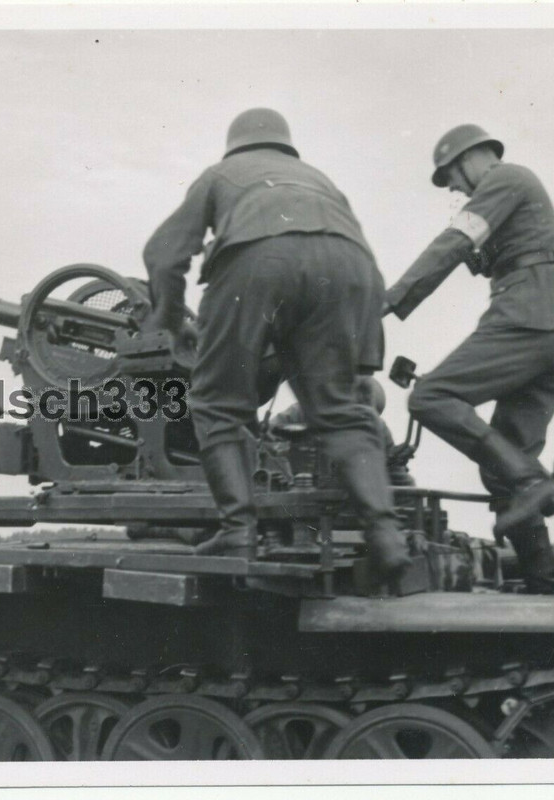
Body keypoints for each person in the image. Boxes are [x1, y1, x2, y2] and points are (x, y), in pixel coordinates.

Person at [142, 108, 410, 579]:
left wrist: (167, 319)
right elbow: (356, 261)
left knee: (216, 403)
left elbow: (163, 255)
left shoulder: (222, 174)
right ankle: (386, 532)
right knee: (340, 410)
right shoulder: (321, 181)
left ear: (235, 145)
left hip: (261, 262)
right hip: (352, 269)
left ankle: (238, 531)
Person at [383, 124, 554, 593]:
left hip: (528, 316)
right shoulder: (518, 193)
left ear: (472, 158)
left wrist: (391, 300)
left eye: (454, 178)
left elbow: (453, 243)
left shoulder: (507, 179)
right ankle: (544, 580)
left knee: (430, 396)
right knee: (503, 459)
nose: (457, 190)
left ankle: (535, 483)